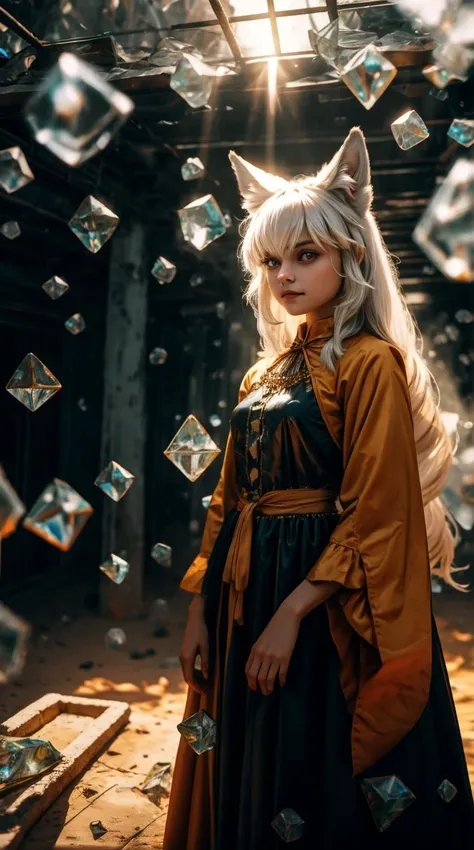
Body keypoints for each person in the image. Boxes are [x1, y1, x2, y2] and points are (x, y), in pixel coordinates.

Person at [163, 127, 474, 850]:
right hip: (248, 593)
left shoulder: (370, 364)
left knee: (316, 770)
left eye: (307, 255)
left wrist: (294, 613)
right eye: (272, 261)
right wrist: (199, 610)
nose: (286, 276)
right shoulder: (262, 374)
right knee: (250, 769)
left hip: (324, 607)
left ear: (351, 255)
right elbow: (227, 500)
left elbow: (377, 511)